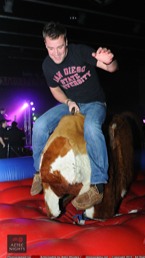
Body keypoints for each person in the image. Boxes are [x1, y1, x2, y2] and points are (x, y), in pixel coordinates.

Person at [31, 21, 118, 210]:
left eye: (60, 47)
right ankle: (38, 172)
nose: (56, 53)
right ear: (45, 45)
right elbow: (55, 90)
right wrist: (68, 102)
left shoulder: (80, 52)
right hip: (71, 104)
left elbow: (111, 69)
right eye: (51, 48)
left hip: (95, 103)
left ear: (66, 42)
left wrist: (110, 61)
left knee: (91, 127)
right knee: (39, 125)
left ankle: (97, 186)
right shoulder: (47, 65)